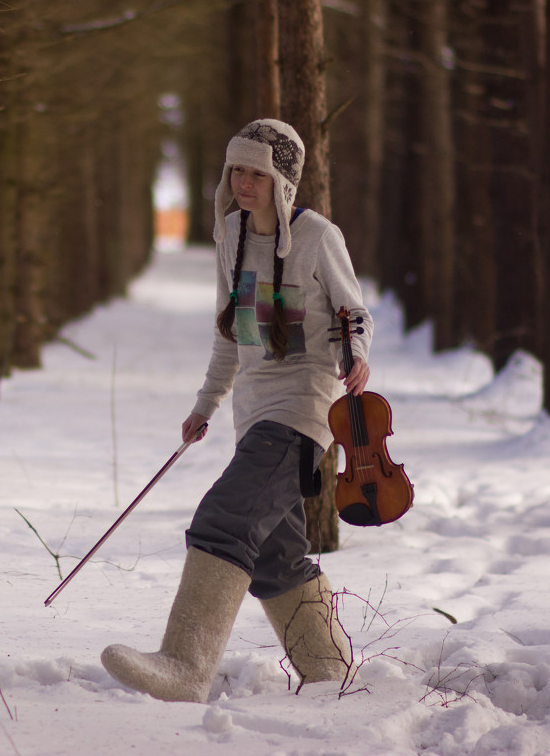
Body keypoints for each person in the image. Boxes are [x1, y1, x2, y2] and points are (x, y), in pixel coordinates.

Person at [101, 119, 373, 703]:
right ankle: (330, 671)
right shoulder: (231, 233)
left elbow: (355, 313)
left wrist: (357, 356)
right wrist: (205, 405)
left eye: (257, 171)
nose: (244, 182)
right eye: (237, 170)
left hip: (304, 408)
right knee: (275, 551)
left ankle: (184, 665)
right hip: (252, 411)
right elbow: (231, 331)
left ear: (283, 179)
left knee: (224, 519)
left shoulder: (319, 237)